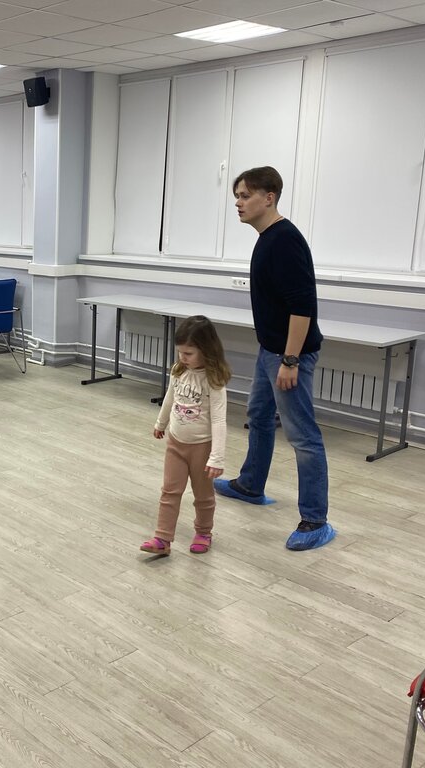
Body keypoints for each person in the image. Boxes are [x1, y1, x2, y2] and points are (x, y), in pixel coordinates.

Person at [215, 166, 335, 551]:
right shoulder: (267, 238)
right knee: (259, 415)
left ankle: (315, 520)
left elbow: (303, 307)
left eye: (245, 195)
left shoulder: (284, 240)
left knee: (302, 435)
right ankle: (250, 485)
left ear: (269, 198)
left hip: (288, 355)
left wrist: (290, 360)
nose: (238, 203)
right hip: (270, 350)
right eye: (236, 196)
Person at [141, 316, 230, 556]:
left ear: (206, 350)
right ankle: (162, 538)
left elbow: (219, 420)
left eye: (188, 353)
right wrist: (161, 423)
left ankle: (203, 532)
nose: (182, 357)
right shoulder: (178, 370)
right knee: (169, 491)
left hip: (201, 448)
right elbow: (170, 398)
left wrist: (217, 458)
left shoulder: (214, 380)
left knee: (203, 496)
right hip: (175, 443)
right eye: (180, 352)